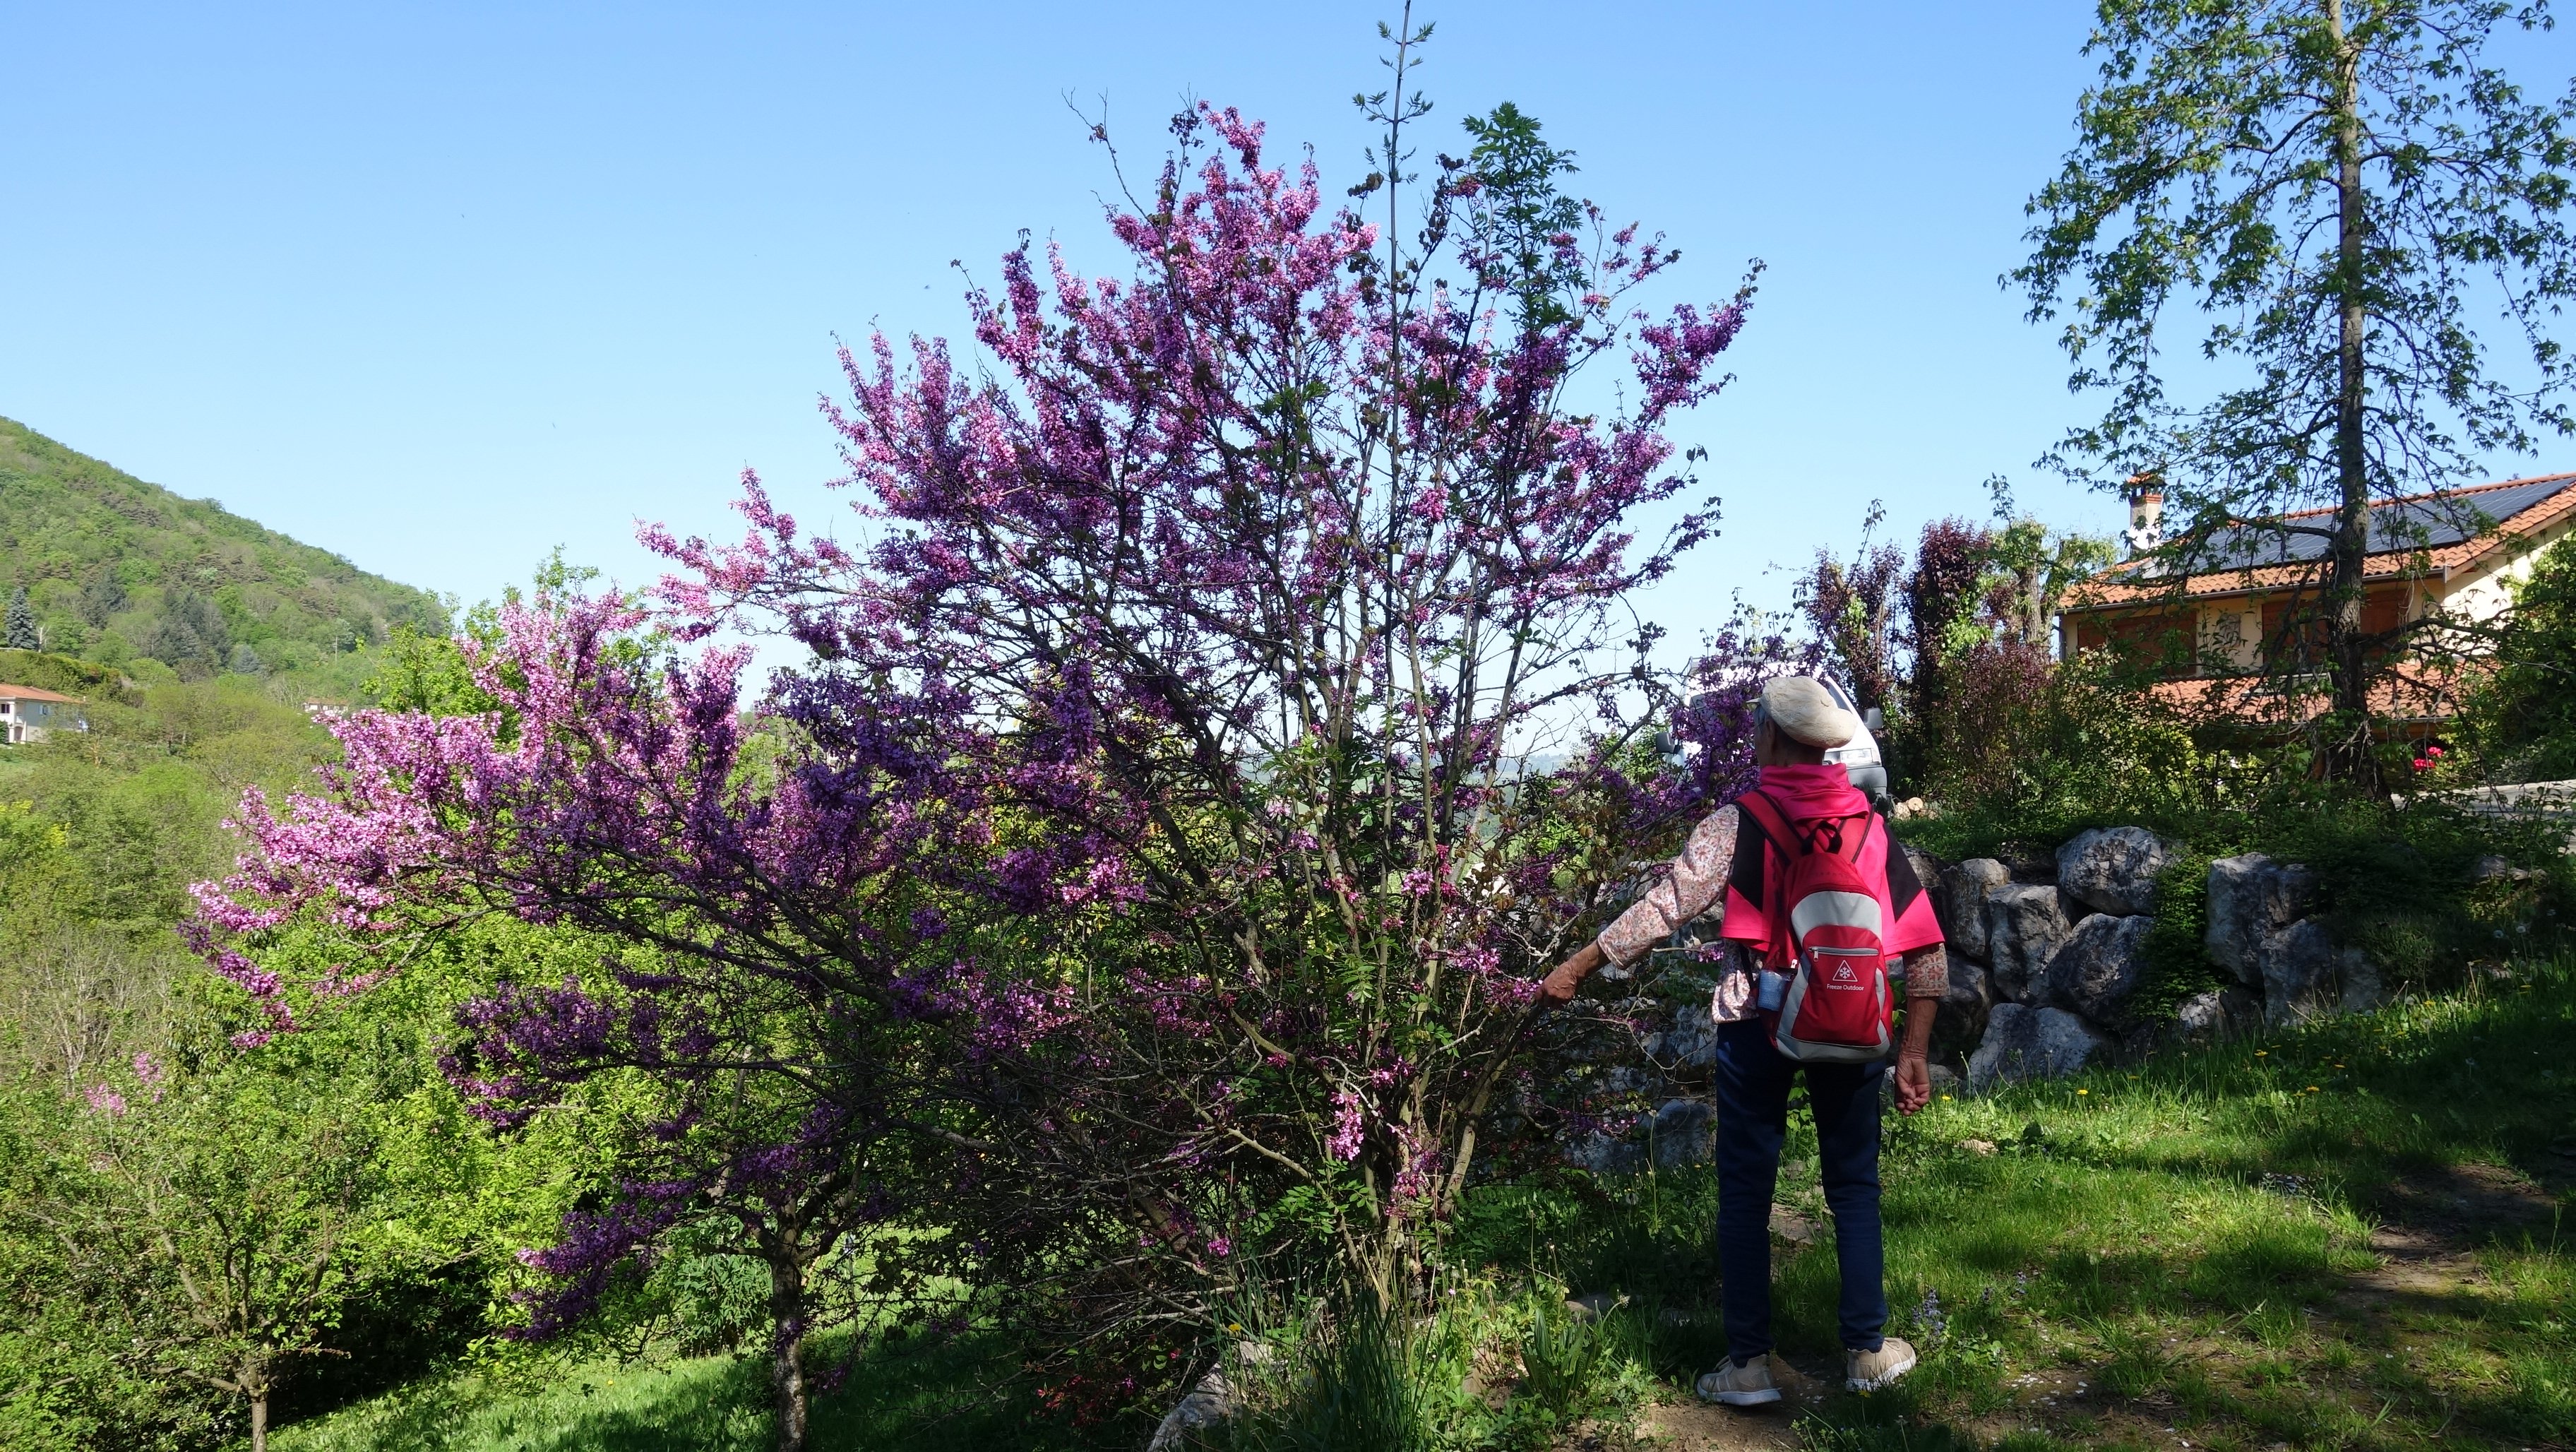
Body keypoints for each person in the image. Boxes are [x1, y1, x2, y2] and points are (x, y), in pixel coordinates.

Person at [1538, 676, 1948, 1404]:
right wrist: (1912, 1049)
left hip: (1758, 1018)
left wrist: (1578, 964)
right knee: (1853, 1184)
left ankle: (1749, 1365)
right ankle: (1868, 1350)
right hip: (1855, 1023)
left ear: (1767, 737)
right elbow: (1925, 949)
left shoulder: (1740, 821)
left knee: (1747, 1193)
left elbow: (1666, 907)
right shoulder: (1872, 827)